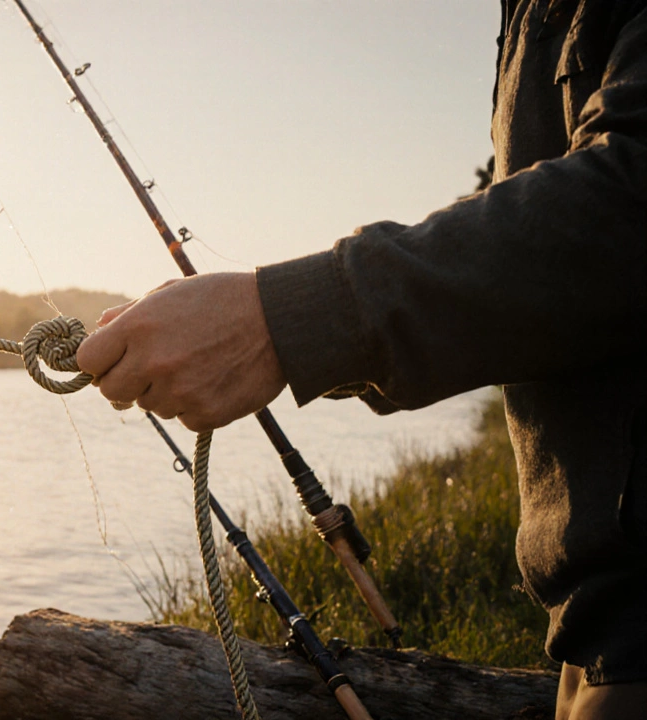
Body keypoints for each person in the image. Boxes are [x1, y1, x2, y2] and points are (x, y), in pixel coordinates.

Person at [75, 2, 647, 718]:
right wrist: (299, 332)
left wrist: (283, 319)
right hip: (593, 636)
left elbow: (628, 204)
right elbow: (533, 252)